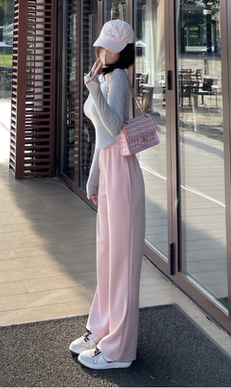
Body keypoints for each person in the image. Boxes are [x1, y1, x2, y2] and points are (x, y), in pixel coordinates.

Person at [69, 19, 145, 370]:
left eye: (110, 47)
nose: (102, 51)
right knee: (107, 256)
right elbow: (102, 137)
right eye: (101, 45)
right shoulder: (103, 77)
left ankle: (119, 349)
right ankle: (101, 329)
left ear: (123, 51)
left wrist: (92, 89)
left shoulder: (117, 79)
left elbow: (114, 128)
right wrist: (94, 174)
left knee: (122, 261)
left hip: (122, 173)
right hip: (109, 168)